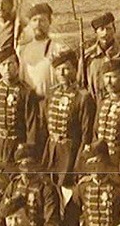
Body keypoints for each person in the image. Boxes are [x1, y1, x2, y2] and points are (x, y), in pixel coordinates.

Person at [64, 140, 120, 226]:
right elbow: (71, 215)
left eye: (98, 162)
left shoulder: (119, 189)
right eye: (90, 164)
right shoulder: (82, 188)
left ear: (105, 162)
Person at [41, 49, 95, 187]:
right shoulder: (52, 93)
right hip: (52, 149)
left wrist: (79, 161)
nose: (62, 73)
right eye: (58, 69)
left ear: (75, 69)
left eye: (66, 69)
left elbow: (86, 133)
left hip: (71, 152)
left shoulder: (83, 97)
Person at [0, 48, 41, 170]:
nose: (7, 68)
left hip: (17, 145)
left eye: (10, 64)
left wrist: (27, 150)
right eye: (3, 65)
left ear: (17, 66)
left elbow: (32, 125)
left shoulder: (26, 92)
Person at [0, 143, 62, 226]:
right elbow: (2, 212)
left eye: (30, 164)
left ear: (36, 165)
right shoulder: (14, 185)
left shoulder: (46, 188)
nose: (26, 170)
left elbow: (52, 222)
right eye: (22, 165)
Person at [84, 11, 120, 101]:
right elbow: (82, 82)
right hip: (96, 103)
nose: (105, 33)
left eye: (109, 29)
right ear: (96, 32)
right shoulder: (89, 56)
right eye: (101, 29)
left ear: (114, 30)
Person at [17, 3, 60, 98]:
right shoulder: (23, 49)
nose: (38, 24)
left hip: (50, 100)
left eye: (42, 20)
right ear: (30, 23)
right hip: (29, 102)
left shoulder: (57, 48)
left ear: (50, 22)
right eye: (34, 20)